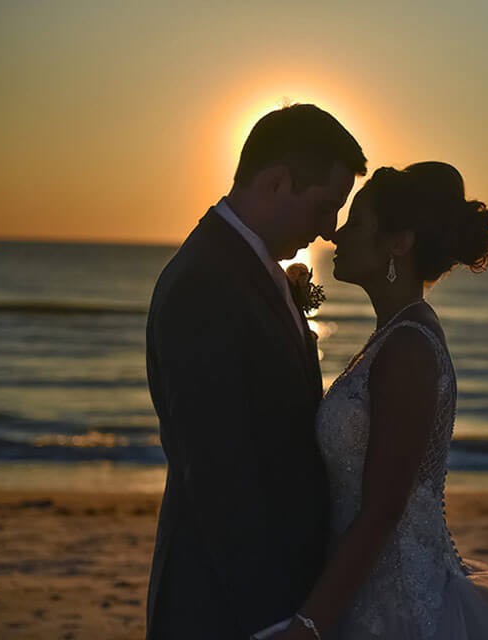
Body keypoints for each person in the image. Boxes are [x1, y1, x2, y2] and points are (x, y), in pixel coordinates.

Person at [274, 162, 488, 639]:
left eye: (358, 222)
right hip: (365, 590)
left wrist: (310, 623)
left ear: (398, 243)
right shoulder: (391, 336)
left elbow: (383, 508)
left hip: (397, 606)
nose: (337, 235)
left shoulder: (408, 347)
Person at [144, 104, 366, 639]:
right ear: (275, 183)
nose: (329, 228)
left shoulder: (249, 269)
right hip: (224, 605)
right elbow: (220, 470)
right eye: (325, 205)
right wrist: (272, 622)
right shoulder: (205, 284)